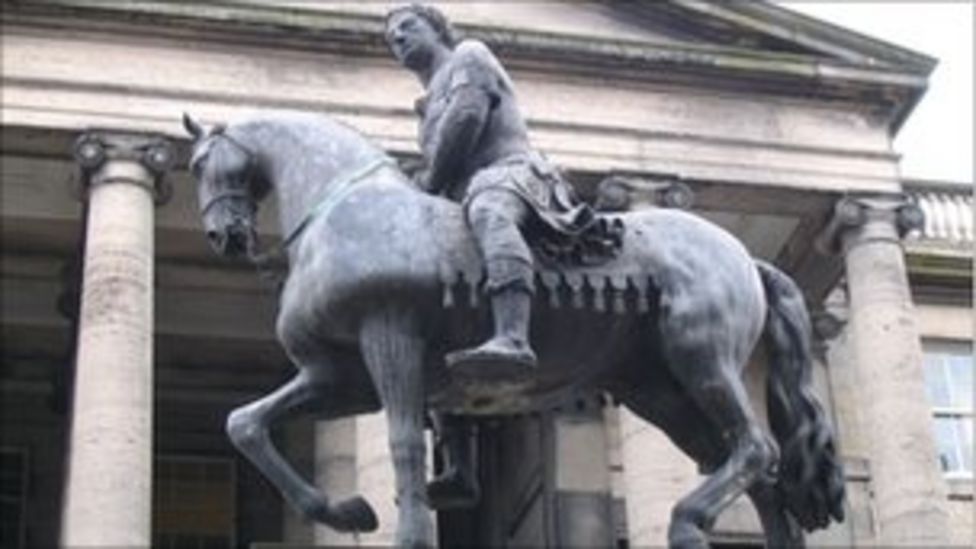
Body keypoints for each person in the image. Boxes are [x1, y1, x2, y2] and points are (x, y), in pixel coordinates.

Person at [385, 4, 600, 377]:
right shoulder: (427, 101)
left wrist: (431, 181)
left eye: (407, 27)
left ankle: (512, 337)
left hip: (509, 175)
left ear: (437, 29)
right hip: (464, 192)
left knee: (490, 212)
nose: (398, 38)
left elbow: (467, 117)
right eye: (391, 38)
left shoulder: (469, 55)